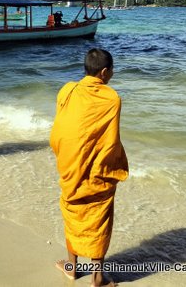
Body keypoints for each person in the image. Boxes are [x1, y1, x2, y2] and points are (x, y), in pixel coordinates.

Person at [49, 48, 129, 286]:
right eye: (112, 71)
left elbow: (62, 128)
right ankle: (97, 278)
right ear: (104, 72)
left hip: (70, 164)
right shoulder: (111, 98)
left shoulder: (67, 89)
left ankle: (72, 268)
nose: (112, 75)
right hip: (97, 172)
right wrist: (116, 165)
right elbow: (109, 141)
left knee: (72, 213)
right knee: (98, 221)